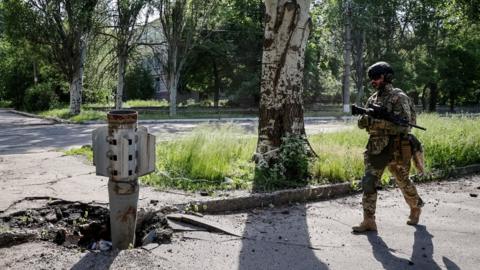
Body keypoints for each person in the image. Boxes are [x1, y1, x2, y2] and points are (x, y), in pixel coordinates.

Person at [352, 61, 424, 233]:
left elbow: (407, 125)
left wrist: (378, 122)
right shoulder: (373, 99)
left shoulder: (399, 97)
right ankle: (369, 220)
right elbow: (362, 123)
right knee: (369, 182)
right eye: (372, 79)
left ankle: (416, 206)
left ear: (386, 77)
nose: (373, 82)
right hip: (376, 149)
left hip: (396, 147)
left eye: (376, 78)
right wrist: (367, 119)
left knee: (403, 180)